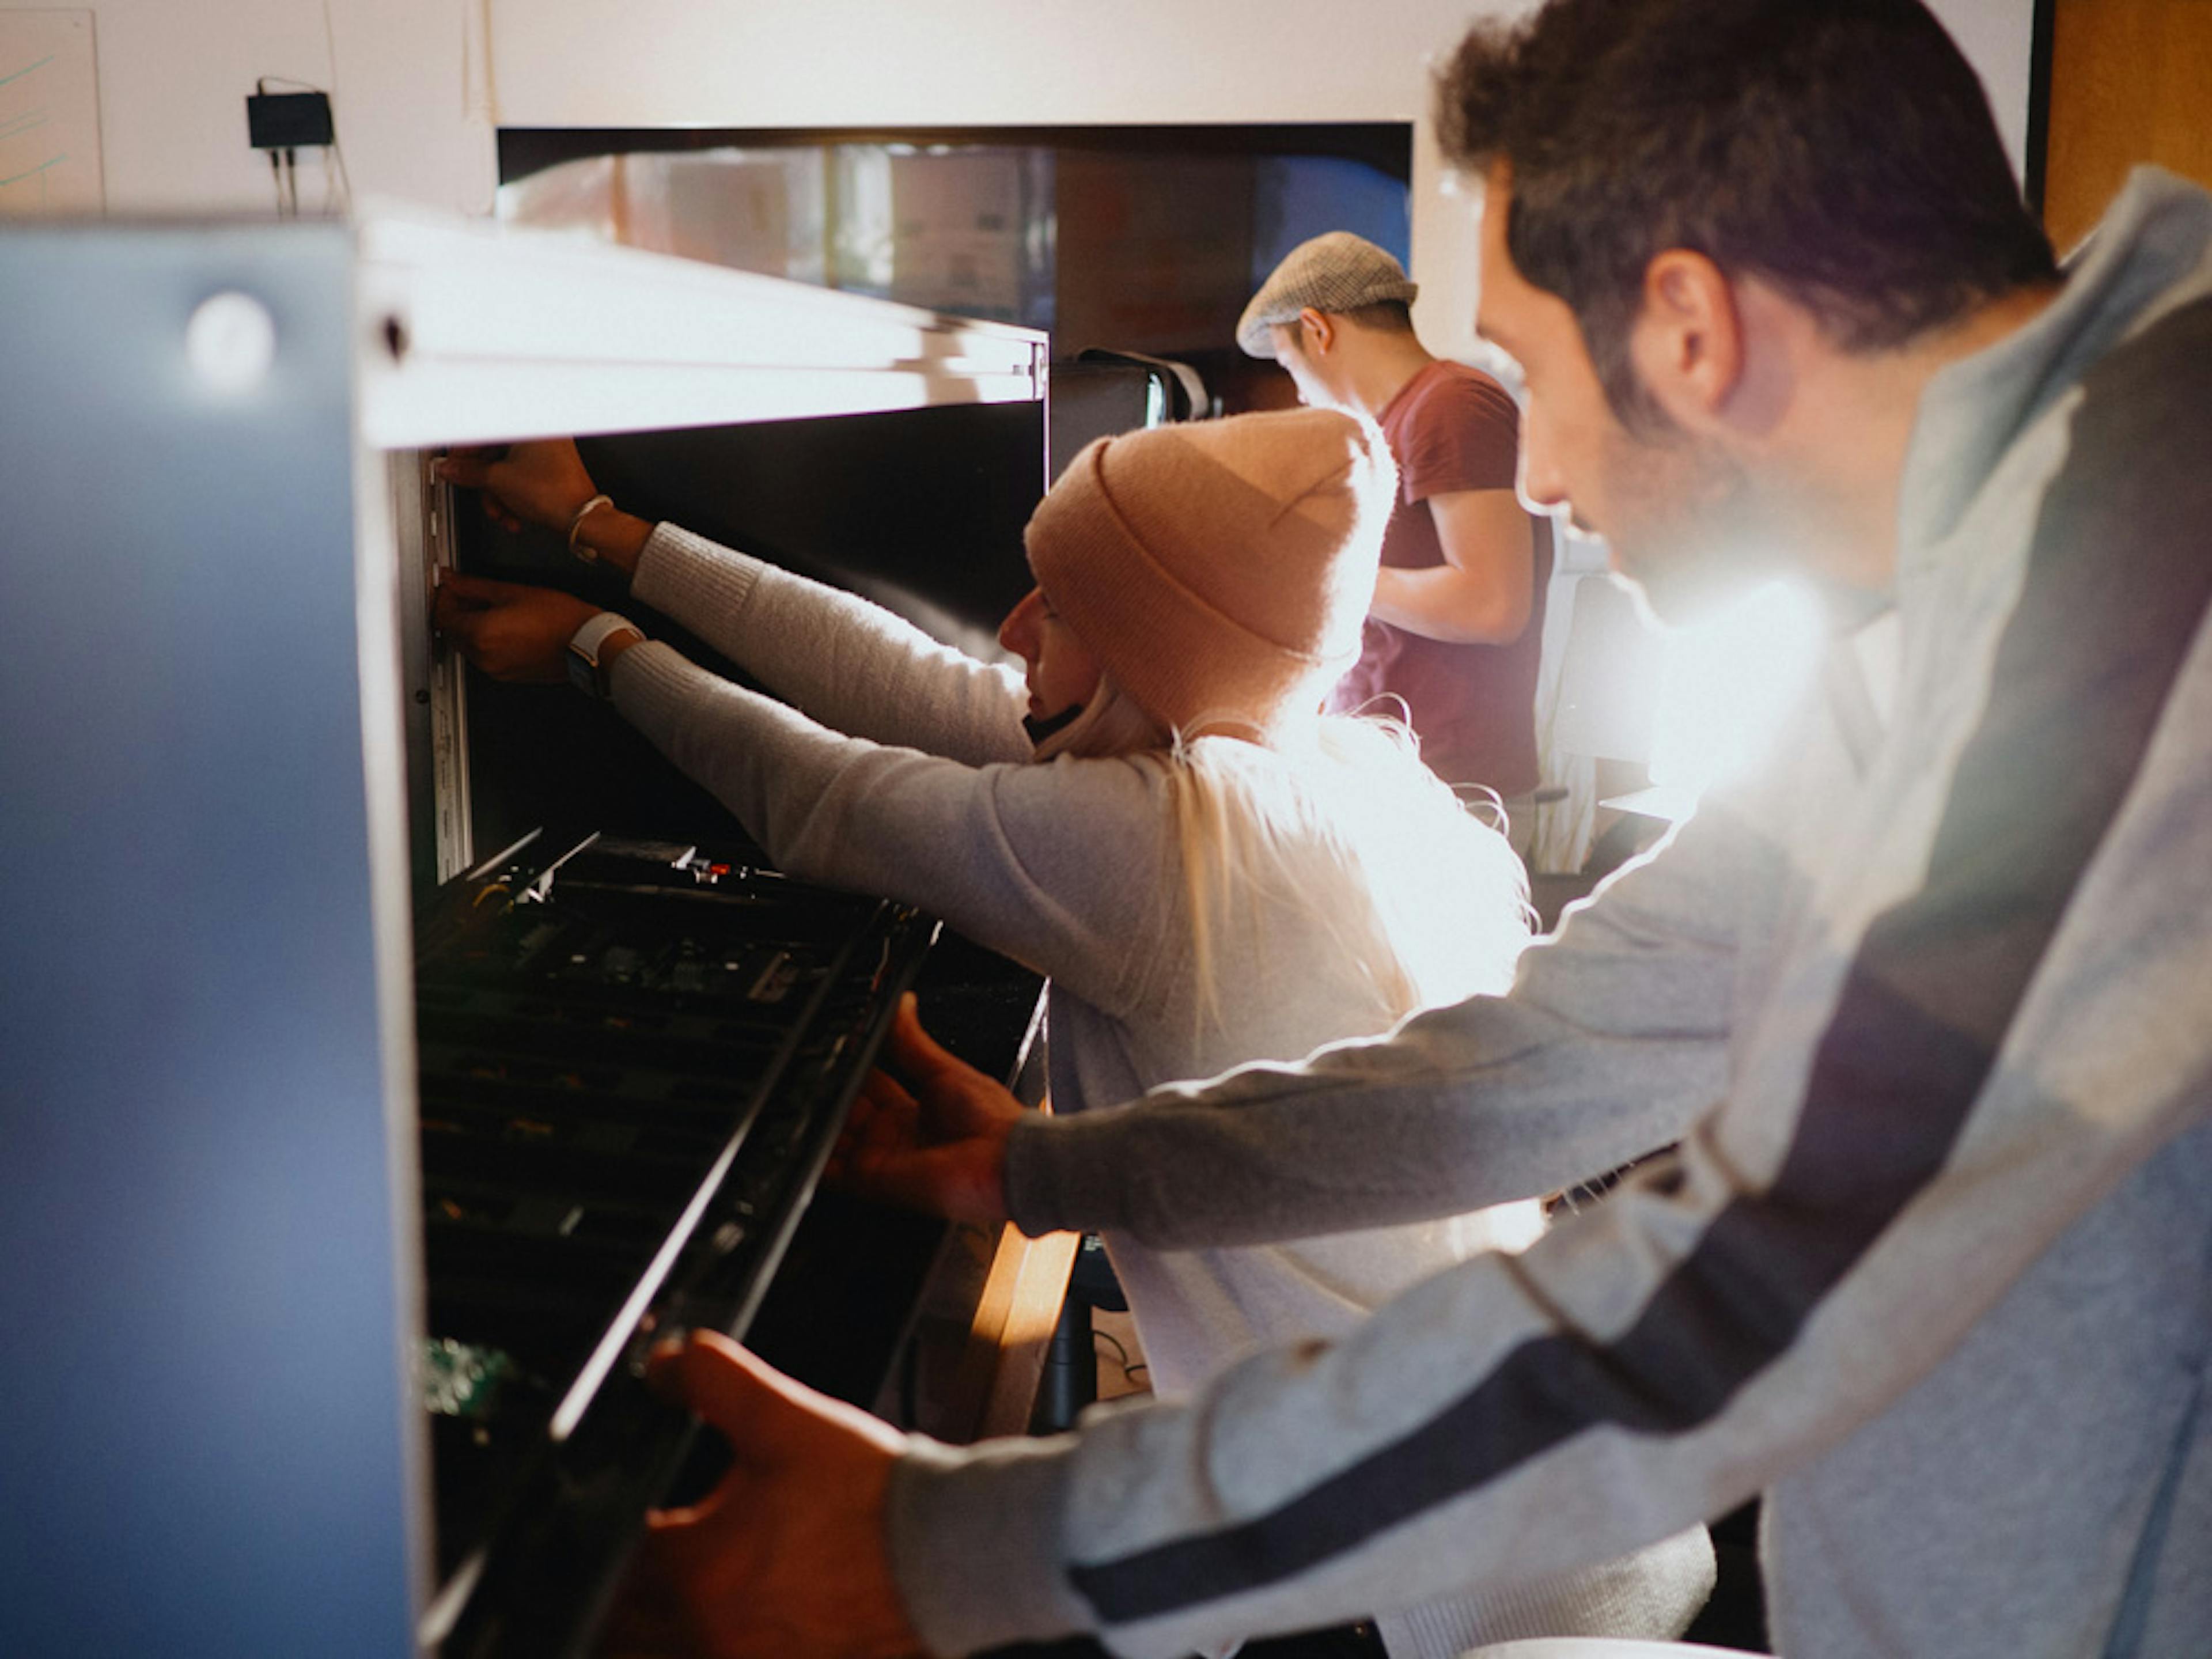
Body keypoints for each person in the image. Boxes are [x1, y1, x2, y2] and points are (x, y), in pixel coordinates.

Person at [617, 1, 2212, 1656]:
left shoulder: (2140, 588)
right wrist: (1052, 1166)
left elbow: (1740, 1302)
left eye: (1529, 373)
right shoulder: (1965, 588)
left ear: (1686, 325)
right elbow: (1531, 1065)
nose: (1536, 480)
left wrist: (957, 1544)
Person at [431, 410, 1713, 1654]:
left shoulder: (1169, 845)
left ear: (1148, 646)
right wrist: (604, 530)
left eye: (1059, 607)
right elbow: (908, 685)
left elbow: (823, 798)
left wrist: (602, 650)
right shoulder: (1328, 775)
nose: (1012, 631)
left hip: (1480, 1594)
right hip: (1598, 1494)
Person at [1238, 233, 1552, 840]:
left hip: (1449, 787)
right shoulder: (1403, 420)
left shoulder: (1452, 405)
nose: (1298, 390)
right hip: (1399, 777)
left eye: (1287, 364)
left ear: (1318, 330)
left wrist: (1327, 575)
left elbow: (1492, 606)